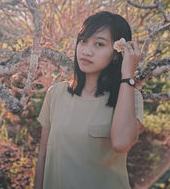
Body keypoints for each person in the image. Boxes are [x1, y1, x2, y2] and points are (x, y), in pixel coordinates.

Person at [34, 11, 144, 189]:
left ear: (117, 53)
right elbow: (44, 156)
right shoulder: (56, 93)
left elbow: (122, 143)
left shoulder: (129, 97)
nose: (86, 51)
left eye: (99, 44)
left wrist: (128, 75)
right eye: (83, 41)